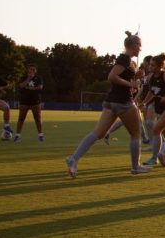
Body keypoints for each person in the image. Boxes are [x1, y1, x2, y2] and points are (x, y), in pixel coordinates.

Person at [65, 32, 152, 177]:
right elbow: (112, 76)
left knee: (98, 133)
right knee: (136, 134)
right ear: (133, 45)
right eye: (139, 46)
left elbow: (125, 78)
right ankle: (136, 166)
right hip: (123, 102)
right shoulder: (124, 59)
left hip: (111, 101)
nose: (141, 49)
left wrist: (136, 77)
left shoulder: (129, 61)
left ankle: (73, 159)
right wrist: (131, 83)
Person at [13, 63, 45, 143]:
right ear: (28, 70)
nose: (32, 71)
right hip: (24, 101)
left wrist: (31, 88)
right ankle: (17, 136)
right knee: (21, 118)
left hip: (35, 101)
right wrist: (28, 79)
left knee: (37, 119)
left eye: (33, 69)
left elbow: (40, 87)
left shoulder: (38, 78)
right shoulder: (23, 77)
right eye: (31, 69)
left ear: (36, 71)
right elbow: (21, 86)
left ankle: (40, 135)